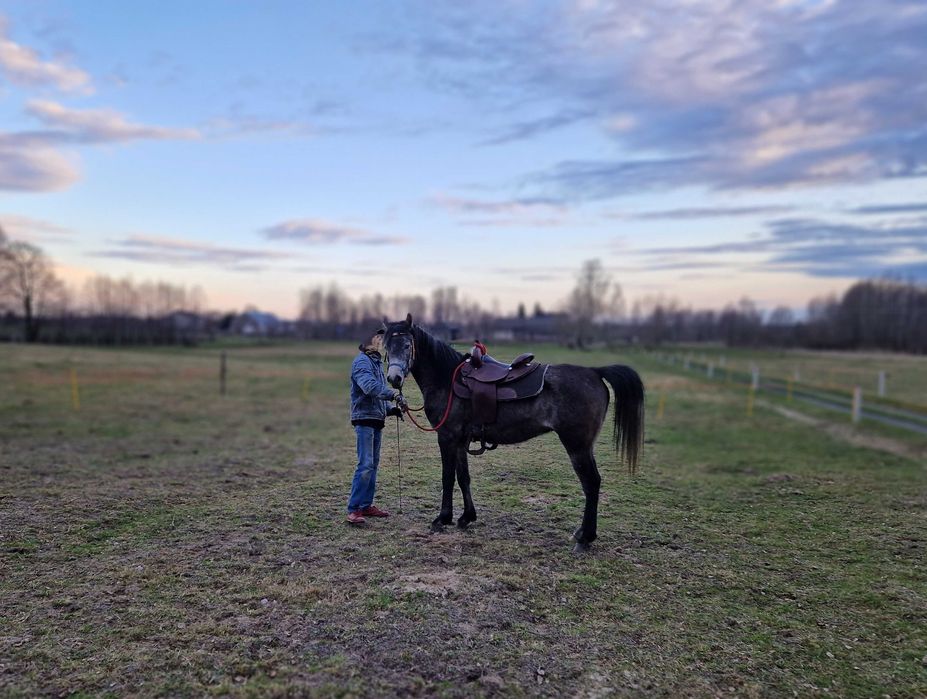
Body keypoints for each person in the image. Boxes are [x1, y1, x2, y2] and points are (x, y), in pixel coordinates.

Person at [346, 328, 404, 525]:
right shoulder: (361, 362)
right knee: (365, 465)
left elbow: (376, 398)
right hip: (364, 420)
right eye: (378, 337)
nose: (381, 340)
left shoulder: (376, 363)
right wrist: (393, 394)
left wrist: (390, 409)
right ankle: (354, 509)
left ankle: (366, 505)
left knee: (372, 465)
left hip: (376, 419)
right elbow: (369, 387)